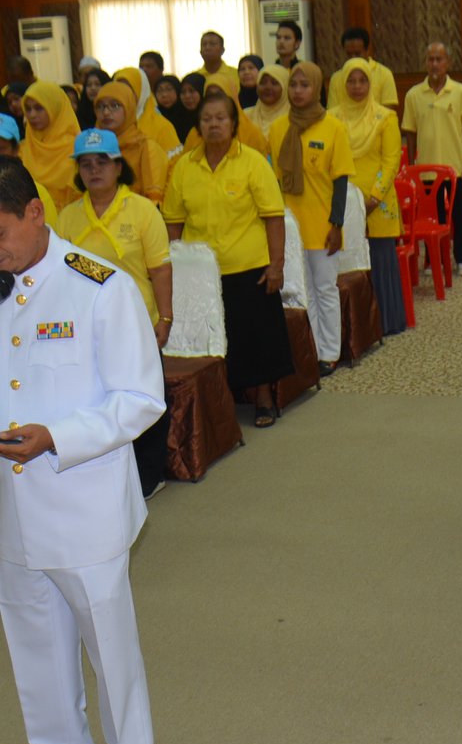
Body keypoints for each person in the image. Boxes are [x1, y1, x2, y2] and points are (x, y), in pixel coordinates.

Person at [0, 157, 163, 744]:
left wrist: (55, 437)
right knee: (34, 644)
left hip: (82, 500)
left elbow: (139, 401)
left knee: (108, 648)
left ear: (35, 212)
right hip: (13, 508)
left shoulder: (101, 288)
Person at [56, 129, 174, 498]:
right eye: (86, 164)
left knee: (144, 398)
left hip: (136, 322)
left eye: (102, 162)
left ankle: (149, 475)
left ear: (119, 166)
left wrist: (165, 317)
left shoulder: (142, 210)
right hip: (86, 325)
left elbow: (160, 269)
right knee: (97, 400)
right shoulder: (69, 216)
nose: (94, 171)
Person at [163, 91, 292, 428]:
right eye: (207, 119)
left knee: (254, 335)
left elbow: (273, 216)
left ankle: (263, 399)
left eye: (221, 118)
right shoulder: (183, 167)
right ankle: (220, 404)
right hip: (201, 274)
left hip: (247, 266)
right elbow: (173, 221)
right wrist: (175, 266)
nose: (214, 124)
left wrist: (276, 265)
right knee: (208, 339)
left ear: (234, 123)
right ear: (198, 126)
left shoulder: (251, 162)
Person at [268, 63, 355, 375]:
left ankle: (329, 352)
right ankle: (312, 349)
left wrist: (337, 225)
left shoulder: (333, 127)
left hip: (322, 225)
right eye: (294, 85)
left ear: (317, 88)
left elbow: (341, 181)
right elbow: (272, 181)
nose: (298, 91)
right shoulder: (278, 129)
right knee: (300, 291)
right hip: (289, 227)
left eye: (305, 85)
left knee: (324, 289)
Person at [331, 57, 406, 335]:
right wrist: (347, 204)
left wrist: (372, 199)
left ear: (371, 84)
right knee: (346, 262)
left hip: (378, 201)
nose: (357, 86)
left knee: (379, 260)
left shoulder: (385, 117)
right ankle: (357, 331)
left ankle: (386, 322)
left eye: (363, 80)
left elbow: (390, 162)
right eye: (351, 80)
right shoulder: (331, 118)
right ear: (342, 83)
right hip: (342, 202)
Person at [400, 42, 462, 274]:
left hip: (456, 166)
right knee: (431, 218)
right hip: (426, 171)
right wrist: (410, 168)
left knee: (461, 214)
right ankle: (432, 259)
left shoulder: (460, 92)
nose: (434, 64)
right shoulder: (414, 95)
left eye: (439, 59)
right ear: (425, 63)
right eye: (430, 59)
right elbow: (410, 132)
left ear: (448, 62)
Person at [94, 81, 168, 204]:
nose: (106, 112)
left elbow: (153, 201)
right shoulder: (92, 147)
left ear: (129, 108)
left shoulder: (145, 147)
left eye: (115, 105)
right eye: (100, 106)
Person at [17, 80, 81, 207]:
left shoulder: (76, 148)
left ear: (55, 107)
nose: (32, 115)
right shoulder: (23, 148)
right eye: (28, 109)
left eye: (39, 108)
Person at [111, 67, 179, 156]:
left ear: (141, 91)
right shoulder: (109, 123)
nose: (124, 93)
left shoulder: (162, 127)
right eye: (119, 88)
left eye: (129, 88)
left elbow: (173, 166)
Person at [327, 27, 399, 109]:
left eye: (357, 54)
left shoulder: (384, 74)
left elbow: (388, 112)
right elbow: (332, 114)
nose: (353, 58)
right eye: (349, 54)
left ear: (367, 50)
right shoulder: (336, 78)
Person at [245, 62, 289, 143]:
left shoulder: (293, 119)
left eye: (274, 83)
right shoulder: (246, 116)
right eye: (263, 82)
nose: (268, 87)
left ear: (285, 87)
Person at [193, 30, 240, 100]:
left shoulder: (237, 74)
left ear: (222, 50)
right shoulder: (194, 77)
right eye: (204, 44)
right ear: (200, 51)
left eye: (212, 44)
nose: (207, 48)